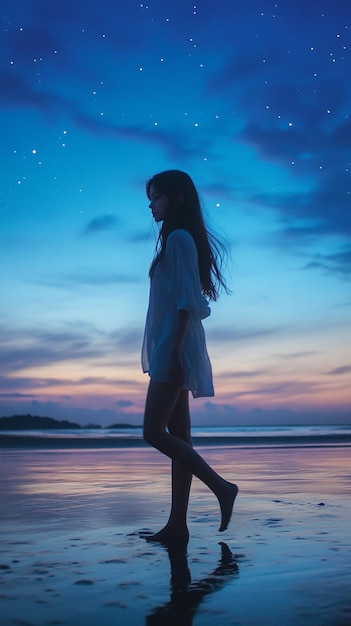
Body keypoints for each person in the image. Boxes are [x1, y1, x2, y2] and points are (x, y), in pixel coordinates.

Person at [142, 170, 238, 542]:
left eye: (157, 198)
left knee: (153, 432)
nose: (151, 205)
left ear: (177, 198)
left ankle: (221, 487)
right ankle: (177, 526)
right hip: (174, 343)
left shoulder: (180, 239)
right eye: (150, 199)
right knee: (180, 435)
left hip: (175, 345)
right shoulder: (176, 240)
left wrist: (176, 353)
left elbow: (186, 303)